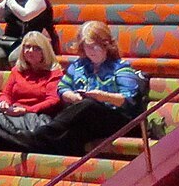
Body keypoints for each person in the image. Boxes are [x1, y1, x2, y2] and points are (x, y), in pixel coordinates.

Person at [40, 20, 142, 155]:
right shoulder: (78, 66)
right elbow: (62, 88)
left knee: (89, 104)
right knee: (71, 135)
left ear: (106, 45)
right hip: (88, 119)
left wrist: (102, 96)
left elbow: (130, 101)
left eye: (95, 46)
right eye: (87, 47)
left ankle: (45, 132)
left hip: (116, 119)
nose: (91, 51)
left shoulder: (120, 68)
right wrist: (71, 96)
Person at [0, 31, 63, 151]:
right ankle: (22, 142)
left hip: (35, 116)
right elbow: (6, 94)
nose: (30, 51)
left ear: (45, 52)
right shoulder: (17, 70)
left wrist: (26, 110)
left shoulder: (54, 73)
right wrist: (4, 102)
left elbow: (53, 100)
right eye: (27, 47)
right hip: (13, 113)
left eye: (36, 48)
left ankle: (20, 142)